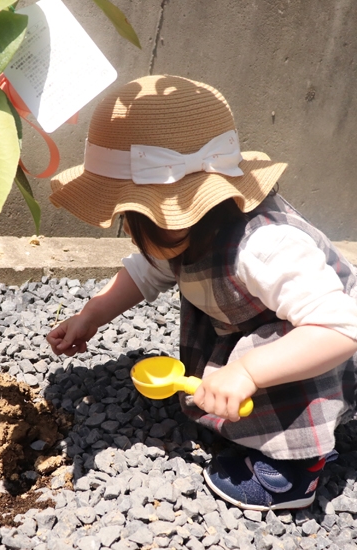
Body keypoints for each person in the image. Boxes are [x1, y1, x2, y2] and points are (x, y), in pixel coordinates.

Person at [46, 74, 357, 511]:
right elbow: (145, 271)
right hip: (256, 322)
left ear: (174, 214)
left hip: (318, 345)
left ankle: (296, 472)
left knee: (277, 365)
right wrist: (92, 314)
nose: (132, 236)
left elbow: (339, 328)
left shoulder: (265, 246)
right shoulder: (186, 230)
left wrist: (248, 373)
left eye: (132, 220)